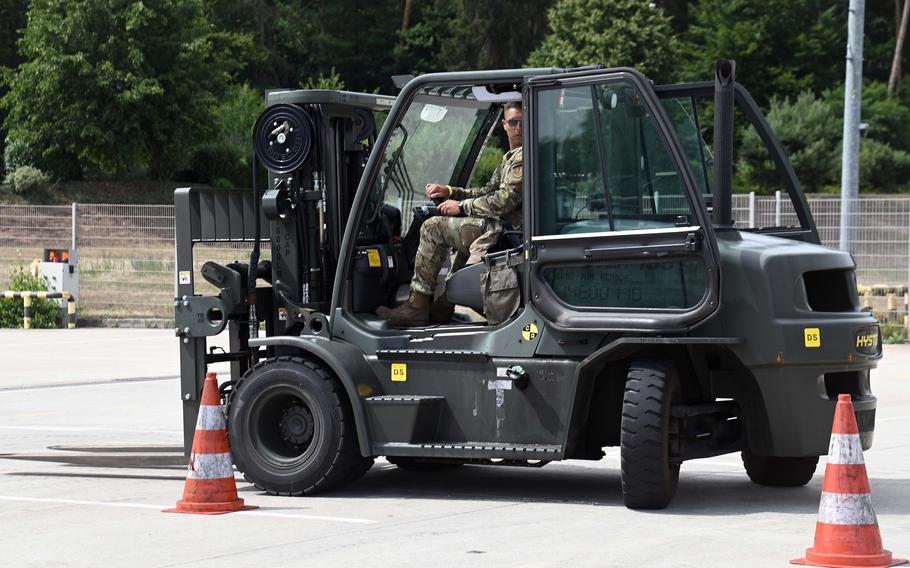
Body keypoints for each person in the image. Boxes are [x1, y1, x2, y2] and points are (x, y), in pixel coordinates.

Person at [377, 101, 523, 326]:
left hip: (505, 232)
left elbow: (503, 201)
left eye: (522, 122)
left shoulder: (522, 157)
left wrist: (461, 207)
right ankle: (442, 307)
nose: (518, 127)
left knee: (433, 227)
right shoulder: (509, 158)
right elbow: (486, 191)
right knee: (461, 229)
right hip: (499, 228)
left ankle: (417, 305)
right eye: (513, 122)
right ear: (504, 124)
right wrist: (451, 191)